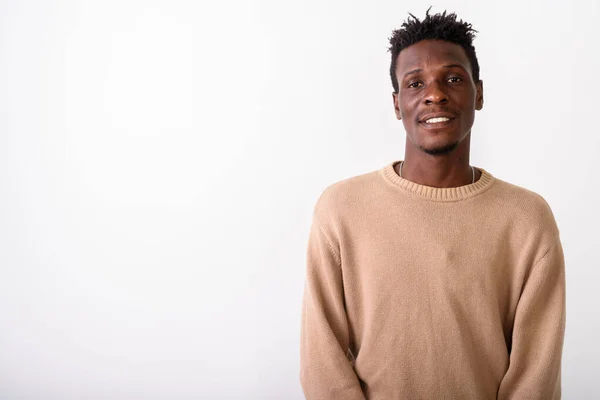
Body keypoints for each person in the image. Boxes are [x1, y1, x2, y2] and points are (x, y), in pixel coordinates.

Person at [299, 9, 566, 400]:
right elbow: (321, 360)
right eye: (415, 82)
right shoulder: (341, 209)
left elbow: (535, 375)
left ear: (479, 92)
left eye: (453, 79)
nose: (435, 93)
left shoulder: (527, 219)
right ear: (396, 104)